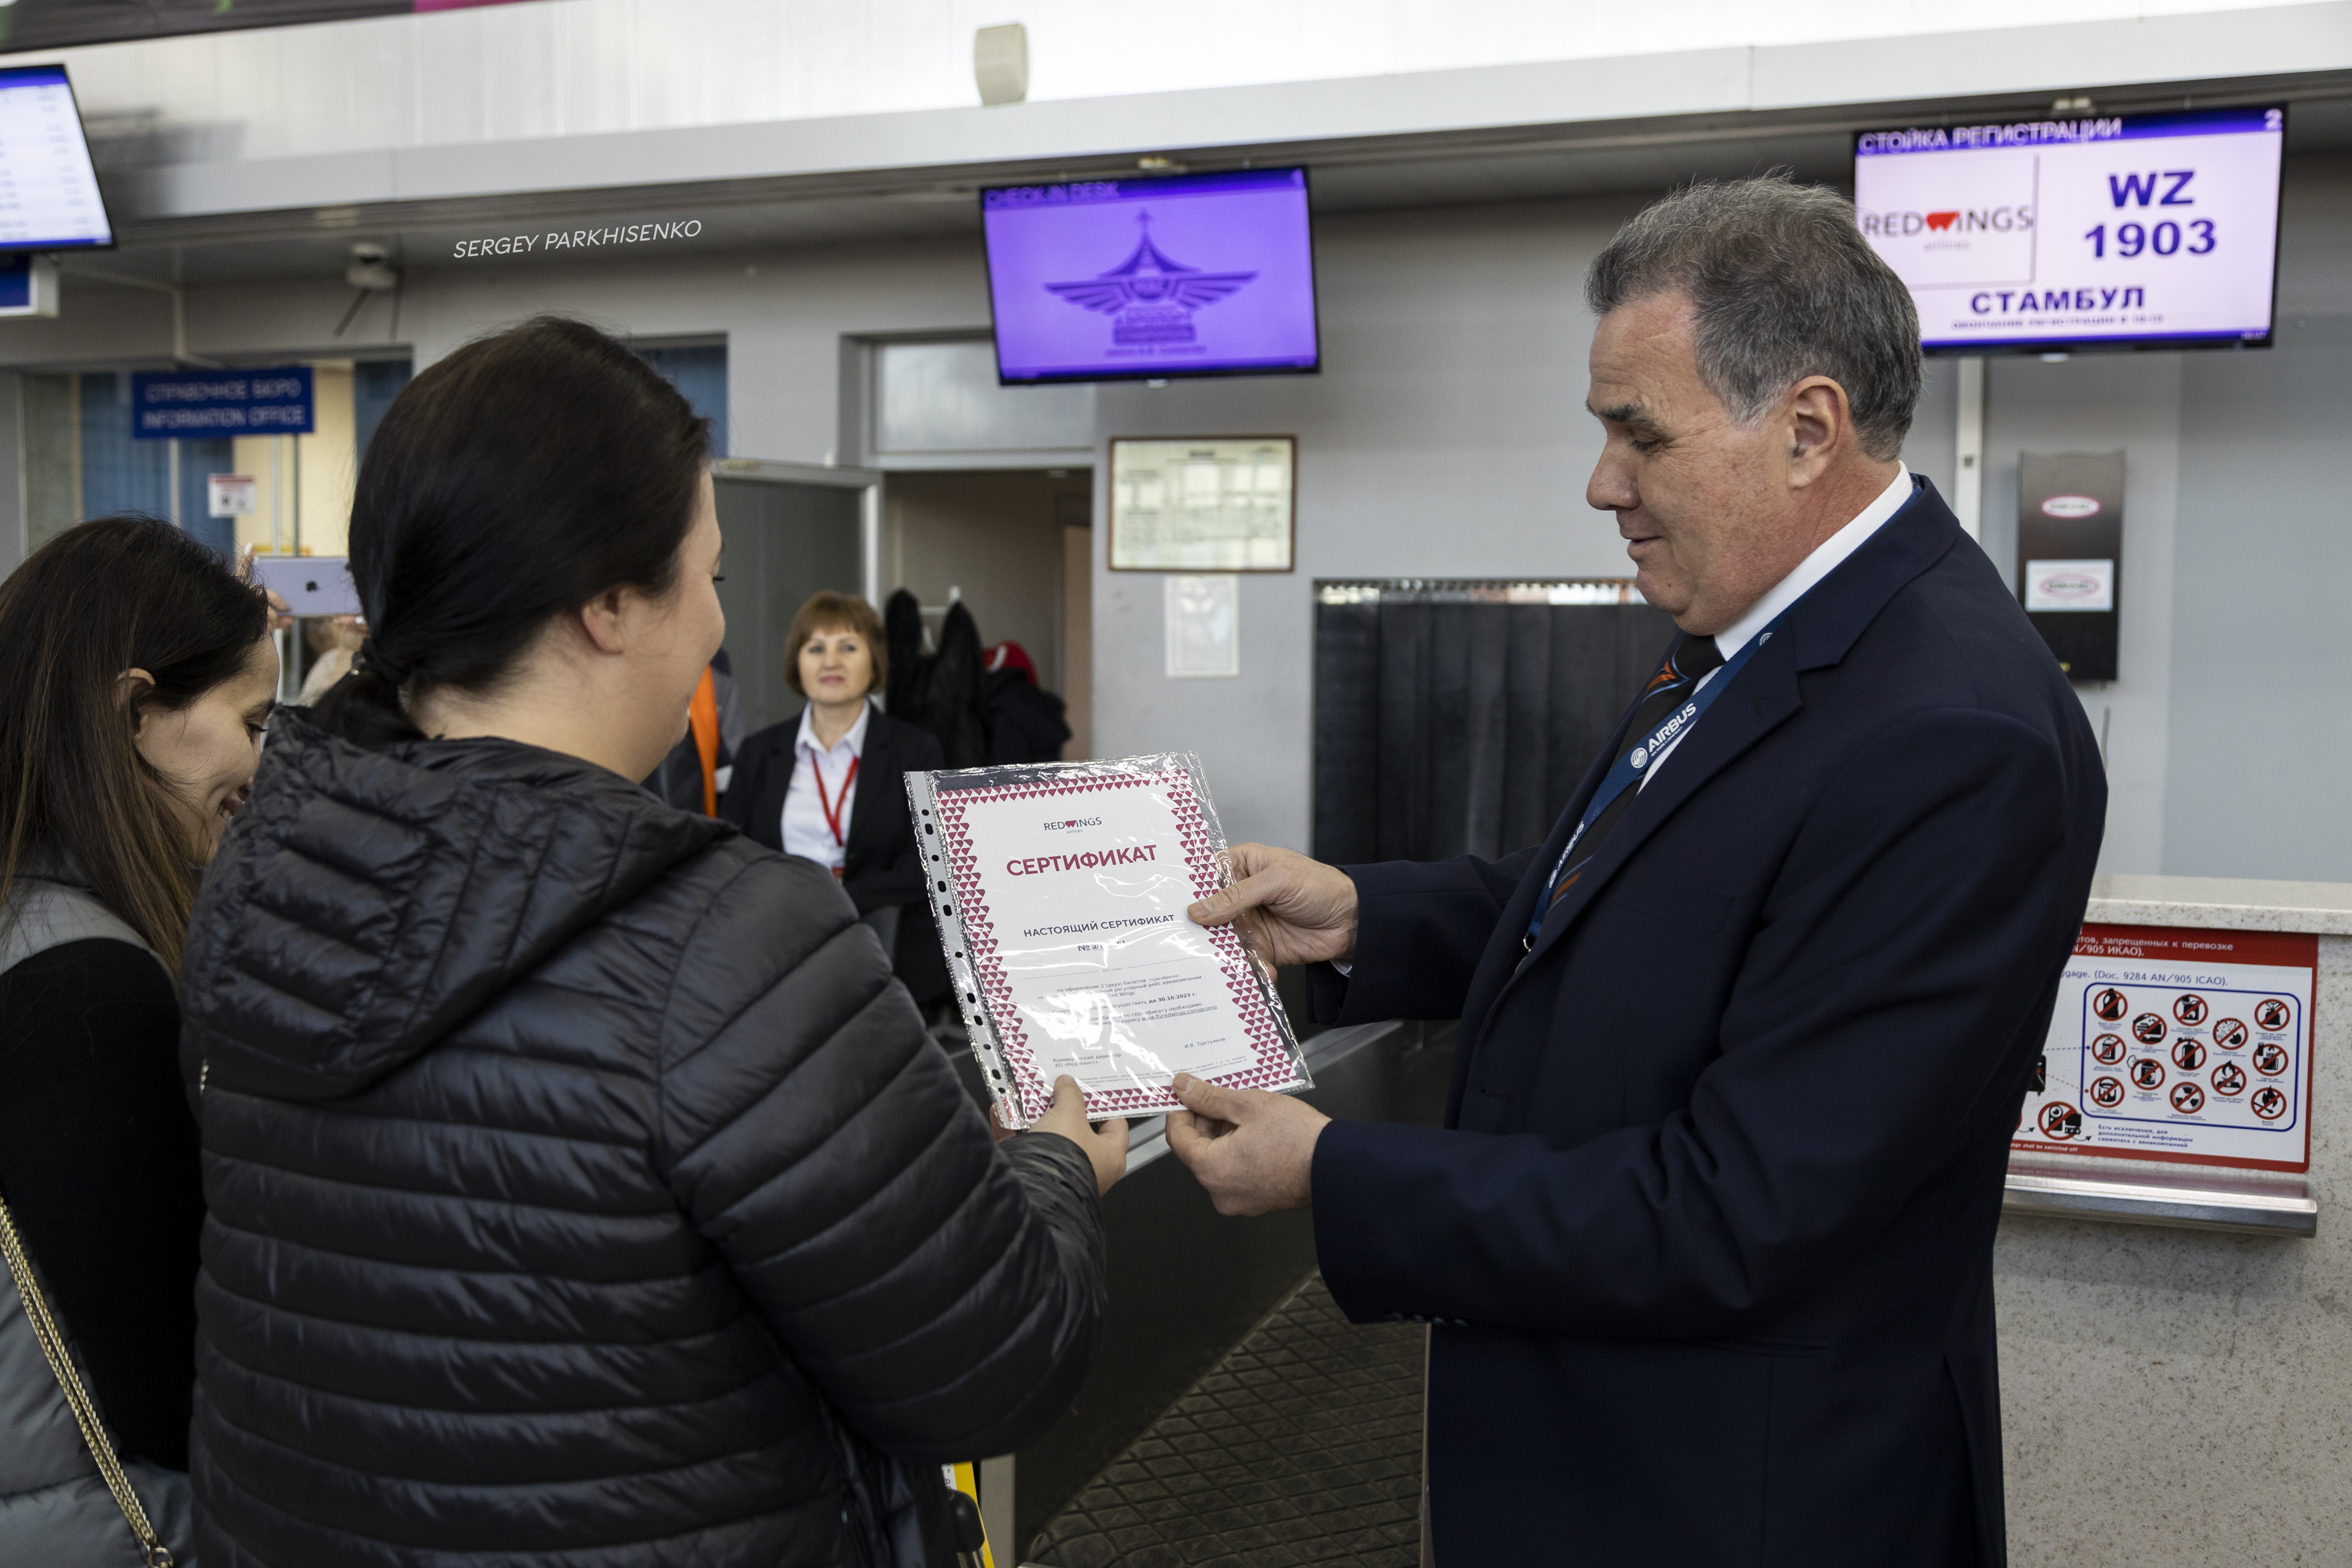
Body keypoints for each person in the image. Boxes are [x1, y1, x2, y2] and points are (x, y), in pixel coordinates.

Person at [1167, 176, 2106, 1566]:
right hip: (1601, 1458)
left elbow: (1738, 1213)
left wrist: (1337, 1175)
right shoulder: (1755, 630)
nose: (1601, 483)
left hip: (1744, 1503)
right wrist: (1368, 917)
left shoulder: (1949, 734)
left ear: (1805, 431)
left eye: (1638, 436)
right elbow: (1622, 901)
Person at [177, 316, 1127, 1568]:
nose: (717, 632)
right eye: (709, 577)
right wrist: (1056, 1170)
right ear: (612, 604)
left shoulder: (267, 879)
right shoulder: (734, 941)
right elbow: (988, 1368)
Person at [0, 513, 278, 1565]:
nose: (254, 766)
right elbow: (172, 1392)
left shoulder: (22, 918)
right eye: (246, 719)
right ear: (132, 711)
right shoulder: (86, 990)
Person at [721, 592, 941, 957]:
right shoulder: (758, 753)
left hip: (879, 945)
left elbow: (927, 865)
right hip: (774, 941)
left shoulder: (916, 751)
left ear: (875, 661)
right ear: (797, 663)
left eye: (848, 648)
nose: (831, 662)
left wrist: (837, 898)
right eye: (816, 649)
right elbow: (732, 853)